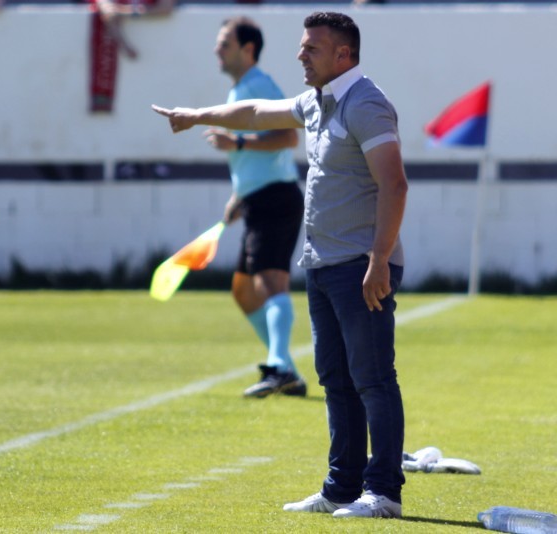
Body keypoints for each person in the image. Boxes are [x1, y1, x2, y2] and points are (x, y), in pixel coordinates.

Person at [153, 11, 408, 519]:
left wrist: (379, 259)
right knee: (335, 379)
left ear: (344, 55)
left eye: (312, 48)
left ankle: (383, 493)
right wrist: (197, 115)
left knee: (373, 379)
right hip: (323, 264)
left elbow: (395, 185)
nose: (300, 55)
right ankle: (341, 487)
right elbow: (254, 112)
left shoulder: (366, 103)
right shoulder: (316, 101)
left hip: (360, 265)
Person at [206, 16, 306, 399]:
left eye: (225, 43)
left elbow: (288, 136)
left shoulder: (258, 85)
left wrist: (237, 143)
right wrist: (239, 197)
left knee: (270, 283)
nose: (217, 49)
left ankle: (279, 368)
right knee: (244, 291)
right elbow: (255, 153)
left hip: (275, 197)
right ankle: (287, 369)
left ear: (248, 50)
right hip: (257, 197)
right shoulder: (240, 89)